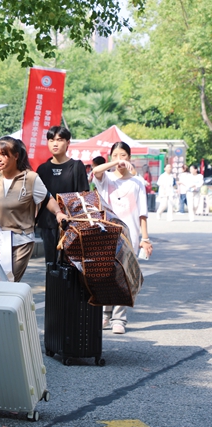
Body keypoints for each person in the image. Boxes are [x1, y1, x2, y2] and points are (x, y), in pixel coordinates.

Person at [92, 141, 153, 335]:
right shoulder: (107, 179)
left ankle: (119, 318)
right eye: (116, 155)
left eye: (124, 155)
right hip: (106, 233)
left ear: (130, 157)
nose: (120, 159)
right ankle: (105, 314)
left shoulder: (137, 182)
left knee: (124, 275)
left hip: (130, 235)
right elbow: (96, 172)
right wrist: (114, 163)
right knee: (105, 274)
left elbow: (143, 213)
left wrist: (145, 238)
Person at [0, 136, 68, 283]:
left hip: (21, 239)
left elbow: (47, 198)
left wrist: (58, 213)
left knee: (8, 282)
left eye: (4, 154)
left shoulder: (30, 178)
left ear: (16, 156)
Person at [36, 126, 89, 265]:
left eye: (59, 140)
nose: (55, 143)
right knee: (50, 264)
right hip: (47, 224)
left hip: (71, 225)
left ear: (68, 143)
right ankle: (51, 288)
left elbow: (84, 196)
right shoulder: (42, 169)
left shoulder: (76, 166)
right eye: (51, 140)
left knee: (70, 265)